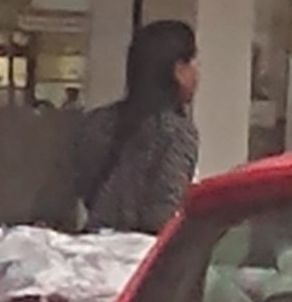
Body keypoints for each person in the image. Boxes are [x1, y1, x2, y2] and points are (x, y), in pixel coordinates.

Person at [72, 20, 200, 234]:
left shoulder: (96, 122)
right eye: (193, 63)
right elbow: (163, 213)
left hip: (94, 245)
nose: (196, 74)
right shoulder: (176, 132)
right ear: (178, 70)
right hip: (139, 252)